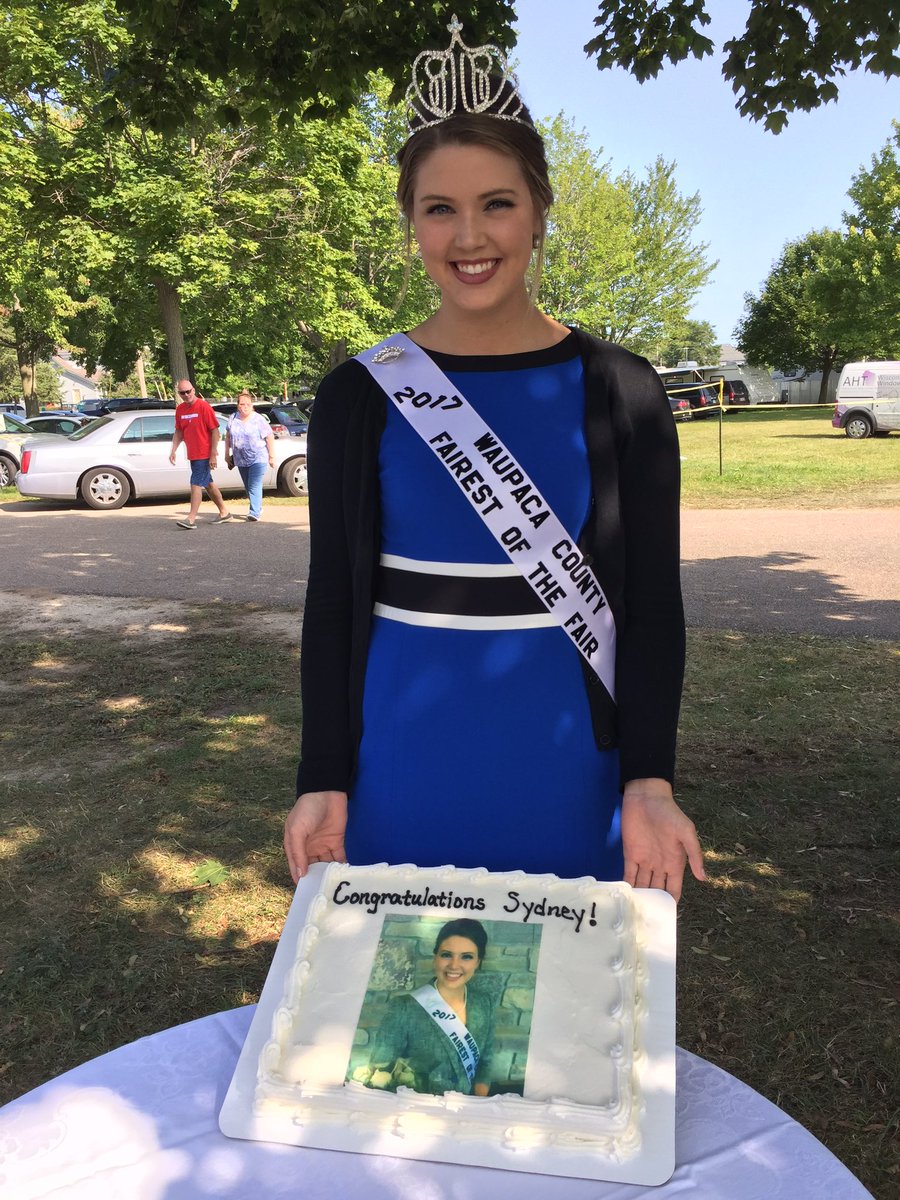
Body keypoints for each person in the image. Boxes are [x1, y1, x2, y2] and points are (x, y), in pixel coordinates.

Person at [285, 18, 705, 901]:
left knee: (562, 1023)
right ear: (412, 225)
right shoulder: (361, 395)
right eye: (440, 208)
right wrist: (323, 774)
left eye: (497, 203)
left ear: (540, 211)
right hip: (402, 764)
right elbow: (333, 601)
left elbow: (651, 605)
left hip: (569, 771)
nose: (468, 236)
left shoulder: (622, 390)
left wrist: (649, 781)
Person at [355, 918, 495, 1097]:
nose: (454, 965)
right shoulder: (404, 1008)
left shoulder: (484, 1004)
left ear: (477, 962)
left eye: (466, 957)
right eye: (446, 954)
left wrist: (476, 1104)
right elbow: (380, 1072)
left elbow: (485, 1062)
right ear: (435, 957)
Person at [168, 379, 231, 528]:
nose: (186, 395)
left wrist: (213, 454)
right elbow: (179, 431)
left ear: (193, 390)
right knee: (208, 484)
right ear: (179, 394)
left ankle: (190, 519)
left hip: (204, 453)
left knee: (195, 483)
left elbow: (215, 431)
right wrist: (173, 450)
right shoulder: (180, 410)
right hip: (193, 454)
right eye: (182, 393)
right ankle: (224, 512)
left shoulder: (203, 406)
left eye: (188, 391)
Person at [224, 390, 276, 521]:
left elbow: (269, 436)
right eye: (242, 404)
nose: (245, 406)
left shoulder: (258, 419)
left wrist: (271, 456)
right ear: (238, 405)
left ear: (252, 405)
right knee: (248, 485)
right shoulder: (233, 418)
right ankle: (257, 507)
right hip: (240, 458)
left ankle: (254, 513)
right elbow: (228, 436)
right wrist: (227, 454)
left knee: (254, 484)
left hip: (258, 457)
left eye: (248, 404)